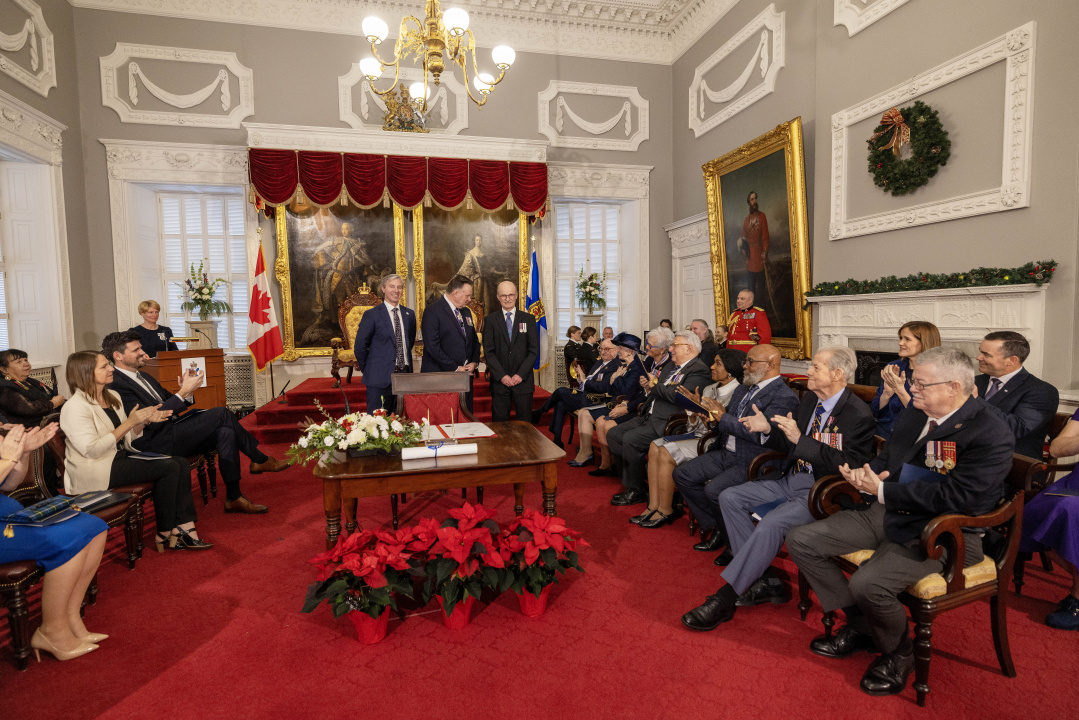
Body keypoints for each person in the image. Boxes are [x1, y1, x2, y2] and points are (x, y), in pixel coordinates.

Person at [787, 347, 1013, 697]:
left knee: (867, 584)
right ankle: (863, 626)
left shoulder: (990, 431)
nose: (912, 389)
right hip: (893, 511)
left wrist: (884, 492)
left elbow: (959, 500)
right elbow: (888, 457)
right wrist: (865, 475)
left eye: (920, 383)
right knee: (802, 540)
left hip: (947, 532)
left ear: (954, 387)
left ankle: (899, 652)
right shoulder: (916, 412)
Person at [681, 347, 875, 630]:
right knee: (729, 497)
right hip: (790, 478)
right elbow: (789, 445)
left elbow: (851, 468)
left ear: (837, 374)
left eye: (816, 368)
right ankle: (764, 580)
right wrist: (769, 431)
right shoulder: (810, 400)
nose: (807, 372)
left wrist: (800, 440)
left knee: (771, 523)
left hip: (822, 490)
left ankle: (725, 598)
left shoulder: (857, 414)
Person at [103, 330, 287, 514]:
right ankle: (259, 459)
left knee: (226, 432)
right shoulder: (116, 384)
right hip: (154, 442)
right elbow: (149, 417)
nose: (143, 352)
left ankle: (234, 497)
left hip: (171, 431)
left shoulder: (145, 376)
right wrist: (182, 393)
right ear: (118, 356)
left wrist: (187, 392)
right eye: (136, 350)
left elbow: (170, 400)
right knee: (222, 414)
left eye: (141, 348)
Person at [60, 351, 212, 552]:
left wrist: (143, 422)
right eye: (104, 366)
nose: (111, 369)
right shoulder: (74, 407)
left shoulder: (112, 396)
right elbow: (92, 450)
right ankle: (168, 531)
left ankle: (181, 529)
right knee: (169, 466)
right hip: (94, 468)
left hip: (117, 457)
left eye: (109, 365)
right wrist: (131, 422)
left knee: (179, 462)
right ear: (86, 373)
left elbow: (127, 437)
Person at [672, 344, 799, 555]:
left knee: (713, 491)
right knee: (683, 474)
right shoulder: (743, 387)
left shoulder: (783, 396)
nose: (745, 366)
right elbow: (725, 420)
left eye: (750, 362)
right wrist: (708, 415)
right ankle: (719, 527)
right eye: (745, 361)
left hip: (753, 459)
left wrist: (722, 417)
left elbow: (762, 435)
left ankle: (733, 546)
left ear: (770, 365)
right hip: (725, 451)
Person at [0, 423, 108, 662]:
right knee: (66, 538)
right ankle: (52, 631)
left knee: (93, 525)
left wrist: (23, 453)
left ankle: (71, 617)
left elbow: (8, 484)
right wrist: (7, 459)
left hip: (6, 517)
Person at [633, 348, 746, 528]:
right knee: (654, 445)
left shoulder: (738, 393)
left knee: (665, 451)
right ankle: (653, 505)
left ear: (731, 369)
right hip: (698, 435)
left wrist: (710, 418)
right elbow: (694, 425)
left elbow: (724, 428)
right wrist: (693, 412)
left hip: (711, 441)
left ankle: (666, 509)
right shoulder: (709, 388)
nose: (711, 367)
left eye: (717, 364)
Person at [608, 331, 712, 506]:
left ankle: (636, 490)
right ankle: (636, 481)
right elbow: (660, 390)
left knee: (630, 439)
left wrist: (655, 384)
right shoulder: (672, 366)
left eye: (674, 345)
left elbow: (677, 395)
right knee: (613, 434)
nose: (670, 349)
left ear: (688, 348)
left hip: (667, 421)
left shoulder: (698, 370)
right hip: (649, 413)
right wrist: (649, 387)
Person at [1019, 409, 1079, 629]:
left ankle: (1077, 598)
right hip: (1075, 485)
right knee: (1034, 515)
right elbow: (1056, 447)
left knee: (1069, 510)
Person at [589, 327, 672, 476]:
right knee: (602, 422)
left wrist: (618, 381)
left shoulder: (644, 365)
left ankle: (624, 473)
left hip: (644, 410)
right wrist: (625, 399)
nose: (646, 348)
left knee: (607, 426)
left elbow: (631, 390)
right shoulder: (647, 362)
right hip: (637, 404)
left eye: (650, 346)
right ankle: (612, 466)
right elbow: (637, 391)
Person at [974, 331, 1059, 458]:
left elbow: (1018, 429)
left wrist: (975, 400)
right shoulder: (975, 381)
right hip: (967, 456)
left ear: (1011, 360)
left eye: (986, 354)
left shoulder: (1041, 391)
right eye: (981, 351)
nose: (978, 357)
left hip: (1009, 464)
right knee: (935, 467)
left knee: (940, 473)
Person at [567, 333, 644, 466]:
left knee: (587, 414)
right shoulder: (626, 365)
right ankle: (590, 455)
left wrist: (616, 377)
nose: (618, 351)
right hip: (615, 401)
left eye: (619, 348)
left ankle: (604, 462)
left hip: (619, 404)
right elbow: (615, 387)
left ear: (629, 351)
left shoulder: (634, 366)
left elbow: (624, 390)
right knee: (583, 412)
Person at [532, 338, 622, 449]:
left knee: (561, 391)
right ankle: (557, 441)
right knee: (561, 403)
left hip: (595, 400)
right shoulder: (600, 362)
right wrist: (581, 378)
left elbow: (603, 387)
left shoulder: (615, 366)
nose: (603, 352)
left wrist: (584, 380)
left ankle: (540, 411)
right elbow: (589, 379)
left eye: (607, 349)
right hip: (584, 393)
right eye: (601, 349)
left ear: (615, 351)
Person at [353, 274, 416, 412]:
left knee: (402, 425)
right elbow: (360, 347)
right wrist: (370, 369)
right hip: (379, 378)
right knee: (377, 426)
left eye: (399, 287)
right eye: (392, 286)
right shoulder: (372, 315)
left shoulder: (409, 314)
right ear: (383, 288)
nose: (396, 290)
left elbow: (408, 343)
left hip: (404, 378)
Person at [870, 321, 940, 439]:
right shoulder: (894, 366)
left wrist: (900, 390)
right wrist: (887, 394)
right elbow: (876, 413)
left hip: (913, 436)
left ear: (924, 342)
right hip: (884, 434)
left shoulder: (936, 373)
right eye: (901, 338)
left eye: (907, 339)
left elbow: (924, 417)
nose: (900, 343)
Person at [420, 274, 480, 411]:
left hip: (465, 379)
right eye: (467, 296)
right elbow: (432, 347)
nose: (469, 300)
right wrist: (455, 368)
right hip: (441, 379)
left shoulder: (466, 312)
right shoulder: (432, 311)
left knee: (465, 420)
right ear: (455, 293)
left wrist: (474, 362)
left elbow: (474, 341)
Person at [482, 281, 539, 422]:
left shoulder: (528, 319)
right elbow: (488, 352)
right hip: (500, 383)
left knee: (525, 426)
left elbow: (533, 350)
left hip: (523, 382)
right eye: (504, 295)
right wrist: (502, 376)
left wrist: (520, 374)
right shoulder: (490, 320)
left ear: (517, 295)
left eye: (511, 295)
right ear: (498, 297)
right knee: (500, 427)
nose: (507, 298)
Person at [0, 349, 65, 427]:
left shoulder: (30, 381)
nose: (26, 364)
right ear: (4, 369)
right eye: (19, 362)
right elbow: (29, 409)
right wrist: (53, 403)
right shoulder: (4, 388)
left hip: (50, 421)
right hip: (30, 429)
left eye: (26, 360)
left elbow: (51, 395)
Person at [738, 191, 769, 302]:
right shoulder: (747, 220)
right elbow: (743, 237)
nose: (754, 201)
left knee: (761, 289)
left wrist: (764, 252)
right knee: (750, 290)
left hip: (759, 257)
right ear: (749, 202)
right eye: (752, 199)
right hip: (750, 259)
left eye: (755, 198)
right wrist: (742, 249)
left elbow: (765, 237)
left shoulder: (762, 216)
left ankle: (761, 311)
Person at [456, 235, 486, 313]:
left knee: (484, 300)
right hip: (475, 280)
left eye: (480, 240)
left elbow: (487, 269)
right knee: (475, 300)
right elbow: (467, 268)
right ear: (474, 241)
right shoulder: (471, 253)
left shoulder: (483, 253)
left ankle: (482, 320)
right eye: (477, 240)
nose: (478, 242)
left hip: (483, 280)